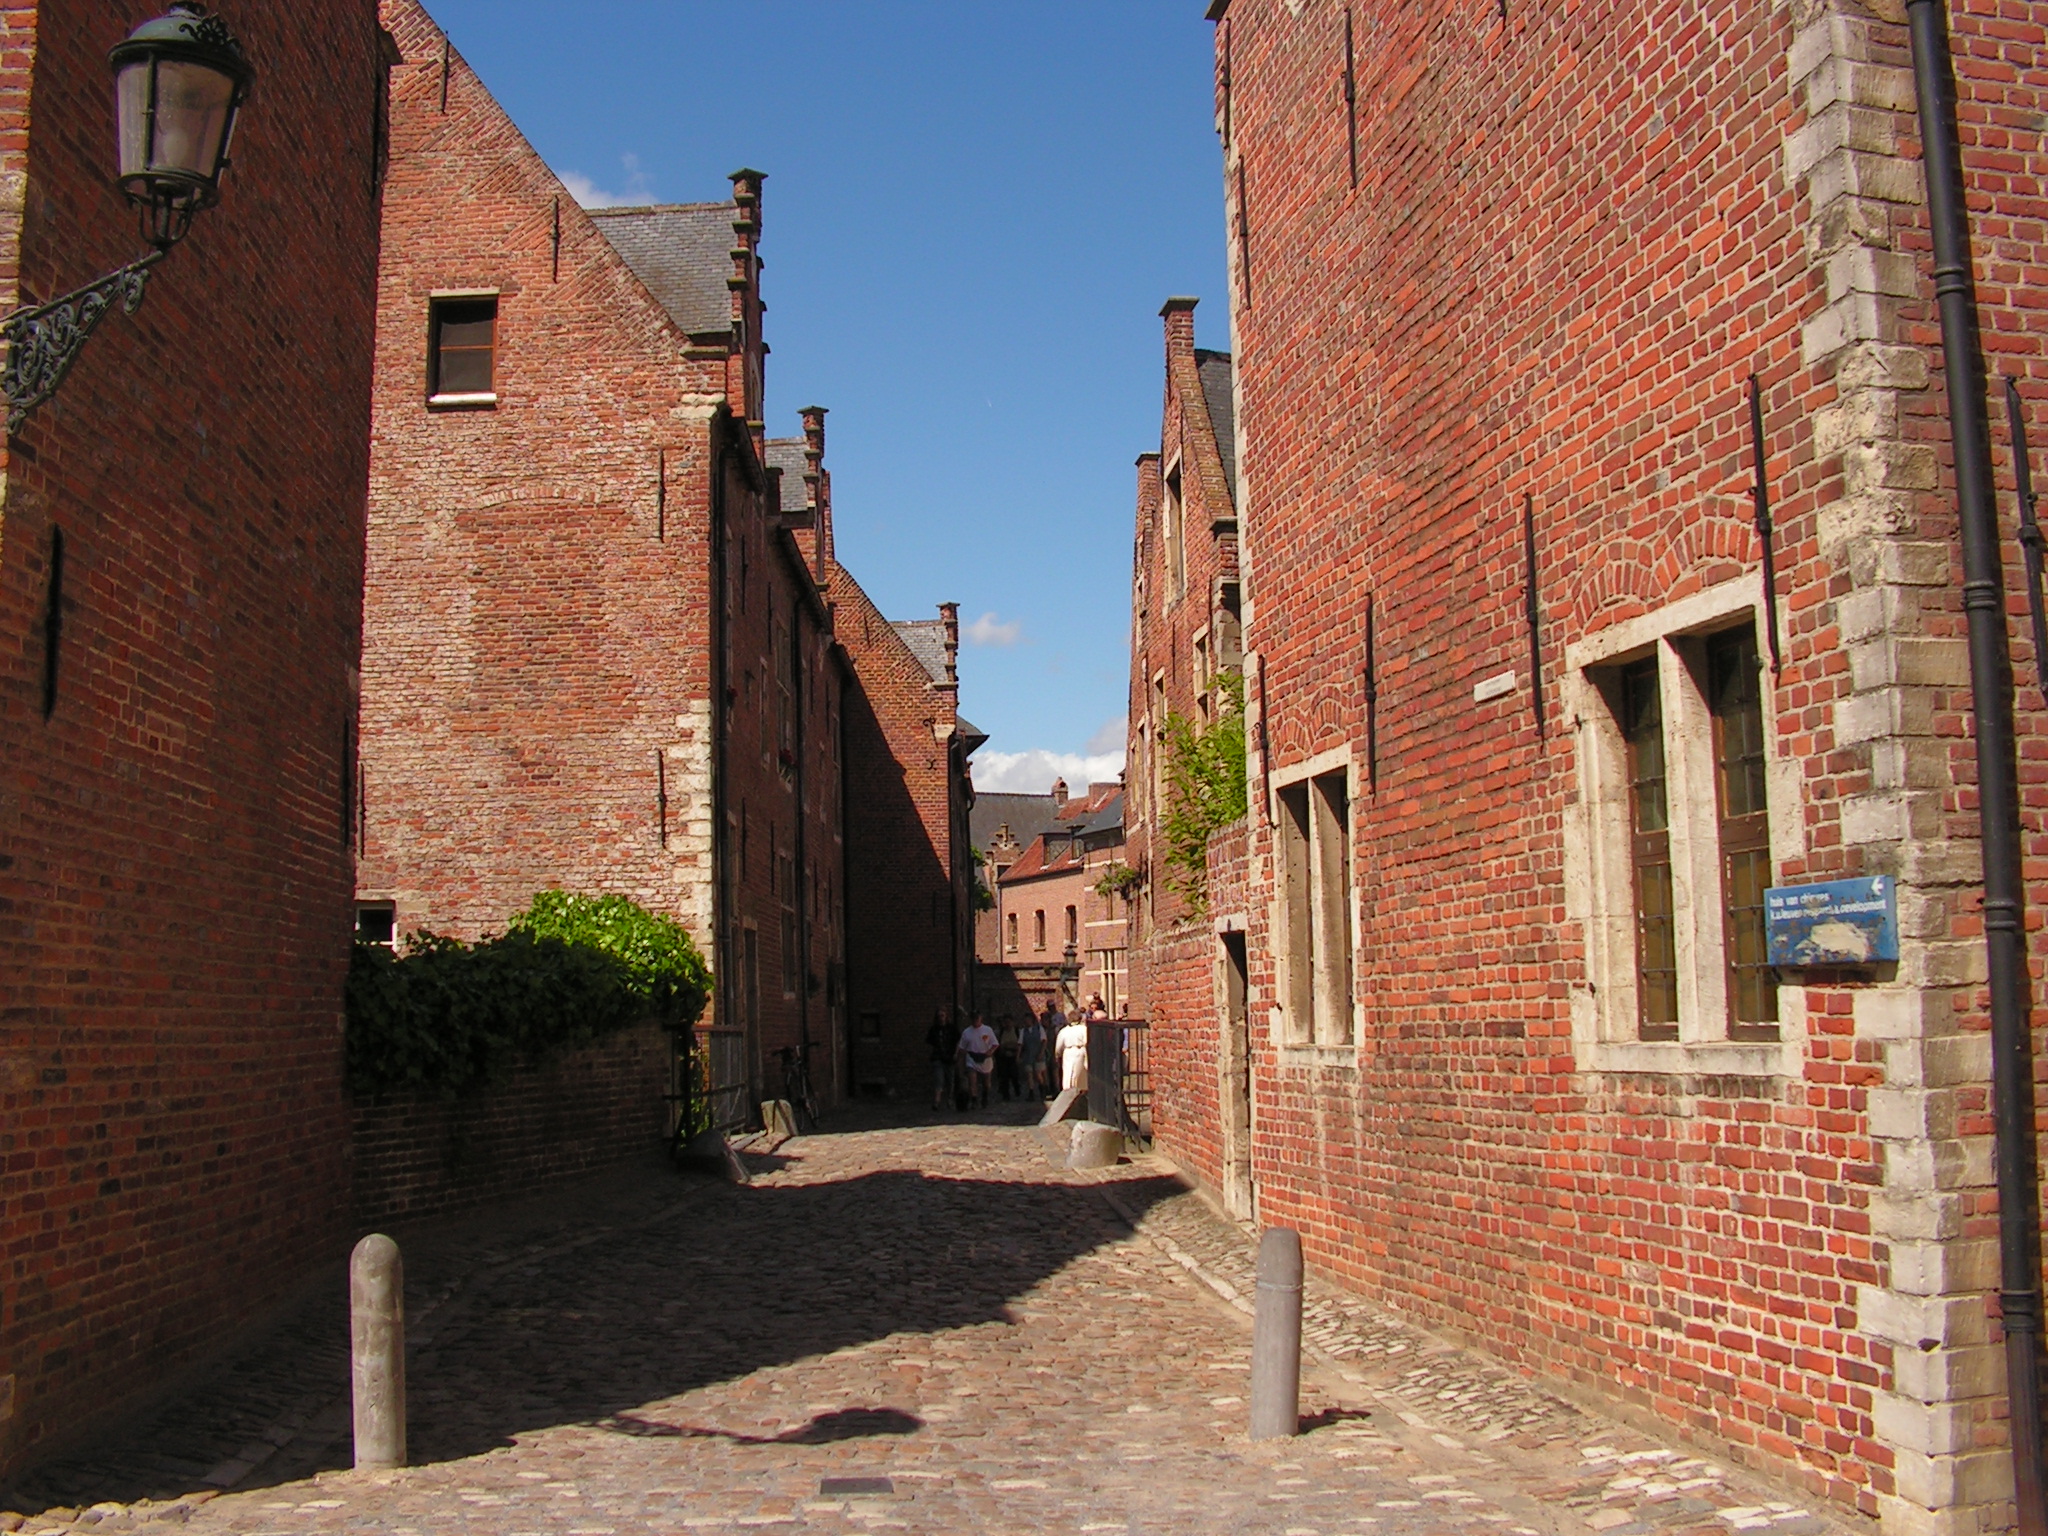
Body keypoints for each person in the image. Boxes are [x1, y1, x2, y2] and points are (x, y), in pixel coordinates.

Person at [958, 1012, 999, 1110]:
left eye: (977, 1018)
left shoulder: (987, 1030)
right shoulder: (967, 1032)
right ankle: (974, 1100)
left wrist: (990, 1051)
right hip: (972, 1057)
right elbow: (962, 1047)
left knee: (987, 1083)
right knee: (973, 1080)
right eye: (973, 1019)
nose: (975, 1021)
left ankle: (984, 1097)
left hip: (985, 1056)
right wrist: (961, 1061)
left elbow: (995, 1044)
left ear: (981, 1018)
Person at [926, 1011, 959, 1112]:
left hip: (949, 1057)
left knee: (950, 1080)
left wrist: (956, 1054)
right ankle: (937, 1101)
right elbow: (929, 1043)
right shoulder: (934, 1029)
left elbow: (958, 1041)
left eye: (943, 1016)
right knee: (938, 1079)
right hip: (938, 1058)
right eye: (939, 1016)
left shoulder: (952, 1028)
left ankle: (949, 1099)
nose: (941, 1018)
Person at [1055, 1000, 1090, 1095]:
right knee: (1074, 1073)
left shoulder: (1064, 1031)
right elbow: (1087, 1041)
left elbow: (1058, 1046)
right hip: (1078, 1051)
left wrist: (1058, 1055)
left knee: (1071, 1072)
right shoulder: (1083, 1029)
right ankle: (1073, 1091)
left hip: (1070, 1052)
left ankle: (1071, 1091)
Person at [1018, 1010, 1046, 1102]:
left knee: (1038, 1073)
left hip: (1037, 1053)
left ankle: (1042, 1089)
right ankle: (1031, 1092)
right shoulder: (1023, 1031)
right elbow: (1020, 1044)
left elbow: (1044, 1041)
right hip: (1028, 1054)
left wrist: (1041, 1052)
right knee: (1029, 1074)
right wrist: (1018, 1056)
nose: (1026, 1022)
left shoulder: (1039, 1029)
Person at [994, 1015, 1021, 1101]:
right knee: (1004, 1076)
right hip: (1004, 1056)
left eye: (1009, 1022)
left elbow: (1019, 1044)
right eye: (1006, 1022)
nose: (1007, 1024)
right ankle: (1006, 1094)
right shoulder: (1001, 1032)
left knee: (1014, 1075)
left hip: (1014, 1055)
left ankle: (1017, 1089)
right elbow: (999, 1044)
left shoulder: (1017, 1032)